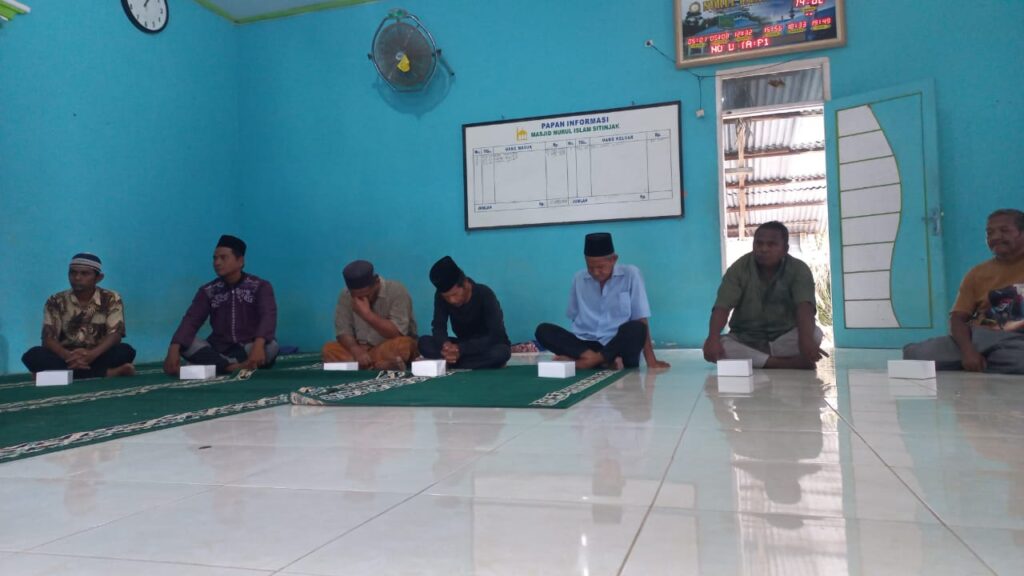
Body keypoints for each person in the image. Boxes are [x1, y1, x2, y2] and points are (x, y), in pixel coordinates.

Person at [903, 208, 1024, 373]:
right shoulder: (977, 273)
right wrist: (968, 351)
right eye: (989, 233)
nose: (995, 237)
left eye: (1004, 231)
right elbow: (957, 318)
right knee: (914, 354)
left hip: (1017, 339)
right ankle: (984, 360)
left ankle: (983, 361)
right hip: (977, 337)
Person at [535, 232, 670, 370]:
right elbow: (574, 317)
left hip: (616, 344)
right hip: (586, 344)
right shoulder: (578, 279)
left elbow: (641, 319)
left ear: (614, 259)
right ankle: (602, 361)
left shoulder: (631, 274)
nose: (595, 272)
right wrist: (574, 348)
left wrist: (652, 361)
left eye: (600, 267)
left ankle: (589, 362)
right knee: (543, 330)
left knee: (637, 328)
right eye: (590, 267)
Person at [703, 221, 826, 369]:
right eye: (759, 243)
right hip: (746, 339)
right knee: (719, 344)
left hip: (783, 338)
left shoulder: (799, 269)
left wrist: (806, 341)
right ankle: (785, 363)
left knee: (815, 334)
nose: (764, 249)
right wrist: (713, 338)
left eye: (771, 244)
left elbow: (804, 307)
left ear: (785, 249)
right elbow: (722, 307)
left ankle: (759, 359)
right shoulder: (739, 268)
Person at [163, 235, 279, 375]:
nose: (217, 263)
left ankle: (219, 366)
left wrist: (258, 345)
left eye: (223, 258)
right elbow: (191, 319)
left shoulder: (260, 286)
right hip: (218, 349)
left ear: (240, 261)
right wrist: (173, 348)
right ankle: (231, 366)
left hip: (249, 347)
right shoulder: (208, 290)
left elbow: (268, 316)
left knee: (271, 347)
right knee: (185, 343)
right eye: (215, 258)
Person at [22, 253, 137, 379]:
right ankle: (109, 373)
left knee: (125, 351)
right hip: (64, 357)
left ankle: (54, 376)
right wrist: (68, 356)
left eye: (84, 274)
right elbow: (48, 339)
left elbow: (116, 334)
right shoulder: (56, 300)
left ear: (99, 278)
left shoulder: (111, 298)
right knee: (33, 355)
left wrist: (91, 355)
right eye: (73, 273)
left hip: (98, 355)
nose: (77, 277)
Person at [321, 260, 418, 370]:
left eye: (366, 295)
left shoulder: (397, 290)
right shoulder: (345, 295)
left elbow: (396, 333)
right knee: (329, 349)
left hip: (386, 346)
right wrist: (355, 349)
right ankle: (380, 365)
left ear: (376, 283)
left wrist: (367, 314)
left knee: (404, 345)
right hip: (359, 350)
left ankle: (363, 365)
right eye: (356, 297)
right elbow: (343, 332)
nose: (361, 300)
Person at [418, 256, 511, 369]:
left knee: (501, 353)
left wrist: (461, 349)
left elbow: (496, 335)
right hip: (461, 345)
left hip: (485, 345)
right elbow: (438, 326)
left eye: (455, 294)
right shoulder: (440, 297)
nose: (452, 300)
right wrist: (446, 345)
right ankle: (462, 362)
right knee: (424, 342)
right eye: (447, 297)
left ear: (465, 284)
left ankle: (452, 363)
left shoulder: (485, 294)